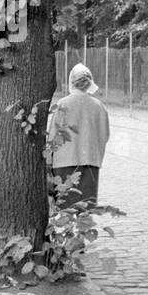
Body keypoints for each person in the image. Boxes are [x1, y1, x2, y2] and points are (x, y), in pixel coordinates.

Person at [45, 64, 110, 206]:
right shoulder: (99, 106)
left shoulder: (63, 104)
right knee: (85, 210)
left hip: (64, 162)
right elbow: (105, 135)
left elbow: (53, 136)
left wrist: (48, 162)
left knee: (64, 208)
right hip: (90, 162)